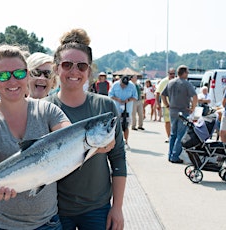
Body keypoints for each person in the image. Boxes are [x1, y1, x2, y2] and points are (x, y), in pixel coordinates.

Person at [0, 44, 70, 230]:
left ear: (28, 74)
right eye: (4, 76)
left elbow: (69, 137)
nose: (12, 81)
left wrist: (96, 141)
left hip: (45, 223)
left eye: (19, 74)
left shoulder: (48, 111)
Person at [44, 28, 126, 230]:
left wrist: (117, 208)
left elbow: (118, 159)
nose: (74, 71)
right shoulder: (43, 108)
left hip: (97, 209)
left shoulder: (105, 108)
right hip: (55, 210)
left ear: (89, 71)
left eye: (81, 66)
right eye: (67, 65)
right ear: (56, 69)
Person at [161, 65, 197, 163]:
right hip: (183, 111)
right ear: (184, 73)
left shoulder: (170, 82)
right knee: (180, 135)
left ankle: (170, 154)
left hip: (172, 110)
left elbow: (162, 95)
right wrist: (193, 108)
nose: (188, 74)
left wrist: (167, 105)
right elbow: (195, 96)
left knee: (173, 134)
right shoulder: (187, 84)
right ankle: (175, 156)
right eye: (187, 72)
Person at [109, 75, 138, 149]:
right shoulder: (115, 85)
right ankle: (115, 143)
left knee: (126, 126)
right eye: (122, 85)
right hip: (117, 109)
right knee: (115, 126)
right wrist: (117, 99)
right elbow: (110, 95)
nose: (123, 86)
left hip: (127, 109)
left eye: (125, 85)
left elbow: (135, 97)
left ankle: (126, 141)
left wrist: (128, 100)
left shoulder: (132, 86)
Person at [155, 68, 176, 142]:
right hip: (165, 105)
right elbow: (157, 93)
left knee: (175, 122)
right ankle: (169, 136)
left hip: (176, 105)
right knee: (167, 121)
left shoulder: (177, 81)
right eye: (171, 74)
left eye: (174, 73)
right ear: (168, 74)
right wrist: (157, 104)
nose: (172, 75)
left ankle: (174, 136)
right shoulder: (163, 82)